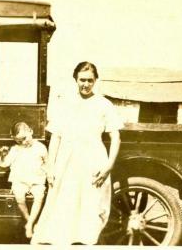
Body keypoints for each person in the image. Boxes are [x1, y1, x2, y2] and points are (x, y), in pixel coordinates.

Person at [31, 61, 122, 245]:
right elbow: (56, 137)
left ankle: (86, 242)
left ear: (96, 80)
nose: (86, 84)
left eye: (90, 80)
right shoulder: (65, 103)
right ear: (75, 79)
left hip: (93, 160)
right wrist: (50, 167)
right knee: (65, 202)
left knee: (90, 204)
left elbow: (116, 137)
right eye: (82, 80)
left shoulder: (104, 104)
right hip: (67, 160)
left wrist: (108, 167)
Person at [0, 122, 49, 239]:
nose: (23, 142)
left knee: (39, 197)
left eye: (24, 138)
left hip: (37, 180)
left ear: (30, 131)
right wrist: (3, 155)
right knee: (19, 198)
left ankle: (30, 223)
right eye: (19, 141)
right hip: (20, 180)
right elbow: (4, 164)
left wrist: (49, 176)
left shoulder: (41, 147)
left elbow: (47, 163)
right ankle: (29, 221)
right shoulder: (15, 149)